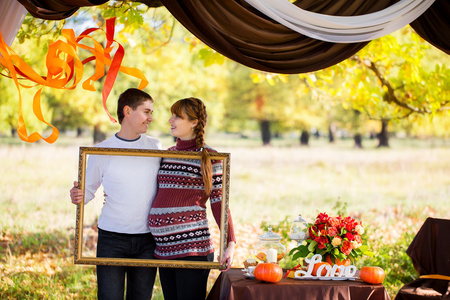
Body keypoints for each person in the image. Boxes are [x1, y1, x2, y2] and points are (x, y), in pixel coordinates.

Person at [69, 88, 162, 300]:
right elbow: (88, 191)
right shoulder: (103, 150)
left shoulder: (155, 147)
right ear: (127, 111)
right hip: (112, 240)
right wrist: (78, 194)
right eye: (146, 112)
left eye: (151, 112)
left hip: (148, 239)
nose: (151, 118)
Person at [147, 97, 236, 300]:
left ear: (194, 122)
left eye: (177, 116)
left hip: (192, 248)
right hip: (164, 248)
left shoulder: (211, 156)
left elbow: (219, 202)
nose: (171, 120)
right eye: (172, 115)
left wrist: (230, 243)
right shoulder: (168, 154)